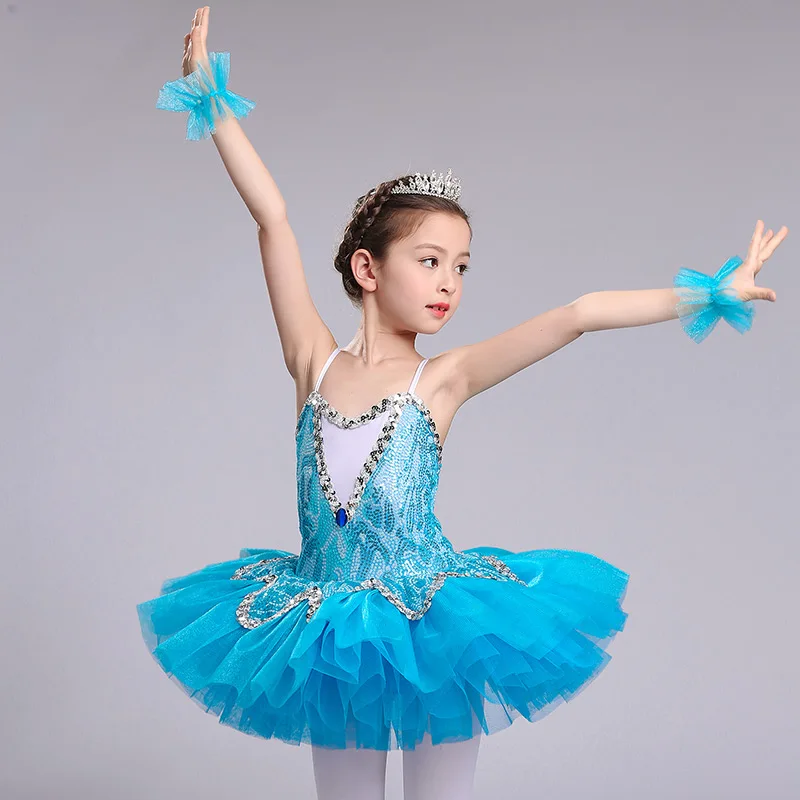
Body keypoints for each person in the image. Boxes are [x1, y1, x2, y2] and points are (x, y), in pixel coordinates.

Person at [136, 7, 787, 800]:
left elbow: (578, 314)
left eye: (463, 266)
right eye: (430, 260)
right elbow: (272, 218)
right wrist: (210, 100)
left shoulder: (443, 380)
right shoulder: (313, 362)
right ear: (368, 269)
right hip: (323, 628)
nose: (449, 282)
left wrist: (710, 293)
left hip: (432, 627)